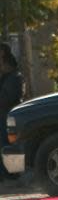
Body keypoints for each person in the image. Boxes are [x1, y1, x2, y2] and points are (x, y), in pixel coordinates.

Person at [0, 43, 24, 180]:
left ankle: (13, 177)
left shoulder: (14, 77)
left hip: (8, 119)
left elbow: (6, 99)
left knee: (10, 146)